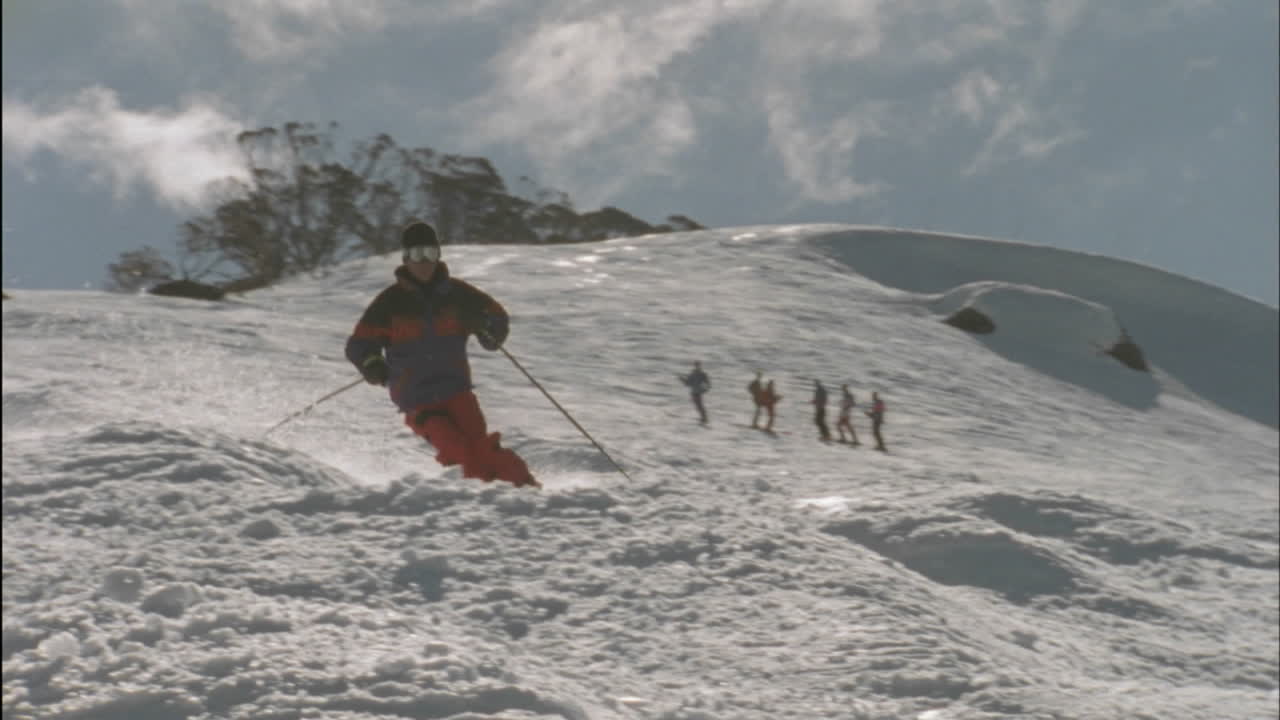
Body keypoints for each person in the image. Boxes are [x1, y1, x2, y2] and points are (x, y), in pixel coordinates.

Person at [345, 220, 539, 488]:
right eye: (416, 255)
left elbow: (497, 319)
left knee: (482, 449)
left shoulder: (458, 294)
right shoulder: (390, 303)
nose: (424, 262)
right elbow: (359, 345)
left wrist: (485, 328)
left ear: (438, 255)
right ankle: (491, 497)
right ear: (405, 259)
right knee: (459, 449)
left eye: (430, 254)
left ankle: (525, 491)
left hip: (457, 391)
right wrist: (373, 365)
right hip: (417, 398)